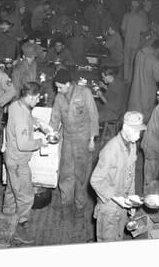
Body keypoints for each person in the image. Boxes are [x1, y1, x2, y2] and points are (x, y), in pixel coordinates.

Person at [3, 82, 51, 244]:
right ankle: (19, 225)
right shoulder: (22, 115)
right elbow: (23, 144)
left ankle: (6, 219)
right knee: (25, 196)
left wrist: (37, 122)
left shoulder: (16, 105)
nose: (38, 100)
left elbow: (26, 118)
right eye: (36, 98)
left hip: (10, 158)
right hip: (18, 162)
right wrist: (40, 143)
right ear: (29, 96)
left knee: (11, 191)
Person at [49, 69, 99, 216]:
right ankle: (66, 202)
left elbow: (93, 116)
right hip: (67, 138)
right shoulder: (59, 97)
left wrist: (92, 140)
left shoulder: (85, 93)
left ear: (69, 84)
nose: (58, 90)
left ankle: (80, 205)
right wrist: (50, 133)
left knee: (81, 174)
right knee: (66, 172)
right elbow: (55, 118)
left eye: (60, 87)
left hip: (83, 139)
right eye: (57, 87)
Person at [90, 111, 147, 242]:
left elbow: (131, 174)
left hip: (122, 204)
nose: (139, 136)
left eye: (140, 132)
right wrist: (117, 198)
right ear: (126, 128)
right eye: (136, 132)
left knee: (118, 239)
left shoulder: (132, 146)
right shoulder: (110, 150)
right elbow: (96, 180)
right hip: (109, 207)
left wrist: (131, 199)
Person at [127, 39, 159, 122]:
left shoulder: (139, 54)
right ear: (158, 50)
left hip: (135, 90)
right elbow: (158, 78)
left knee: (133, 115)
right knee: (143, 117)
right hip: (147, 92)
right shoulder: (155, 61)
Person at [94, 67, 129, 139]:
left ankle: (94, 136)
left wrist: (100, 95)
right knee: (94, 106)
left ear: (109, 76)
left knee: (93, 116)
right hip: (117, 109)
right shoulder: (117, 83)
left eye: (103, 77)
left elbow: (108, 103)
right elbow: (113, 94)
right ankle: (100, 132)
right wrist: (104, 86)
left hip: (113, 112)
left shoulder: (116, 86)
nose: (102, 79)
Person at [120, 0, 149, 81]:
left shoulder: (126, 16)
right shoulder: (140, 18)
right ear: (136, 8)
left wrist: (124, 34)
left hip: (127, 42)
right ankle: (130, 79)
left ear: (131, 7)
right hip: (136, 42)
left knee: (126, 60)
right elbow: (144, 30)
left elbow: (122, 28)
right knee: (133, 61)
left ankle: (126, 78)